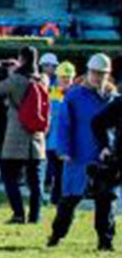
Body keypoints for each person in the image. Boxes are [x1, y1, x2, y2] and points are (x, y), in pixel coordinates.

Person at [48, 53, 116, 250]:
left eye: (102, 73)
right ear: (88, 72)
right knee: (69, 199)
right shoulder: (74, 96)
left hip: (105, 158)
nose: (97, 77)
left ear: (107, 74)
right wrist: (64, 149)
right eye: (94, 72)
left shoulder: (114, 99)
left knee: (106, 201)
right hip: (79, 155)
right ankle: (56, 235)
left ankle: (105, 242)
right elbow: (64, 124)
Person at [0, 47, 48, 224]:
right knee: (35, 180)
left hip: (16, 134)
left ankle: (19, 214)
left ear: (22, 59)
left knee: (9, 176)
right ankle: (35, 216)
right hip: (36, 135)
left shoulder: (16, 80)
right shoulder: (43, 80)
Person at [45, 58, 77, 205]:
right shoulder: (50, 92)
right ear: (57, 77)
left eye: (68, 78)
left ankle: (62, 197)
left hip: (69, 141)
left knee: (65, 172)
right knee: (56, 171)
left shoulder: (77, 95)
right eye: (62, 77)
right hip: (52, 141)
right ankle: (57, 198)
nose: (65, 80)